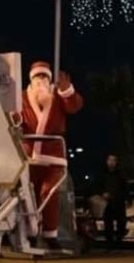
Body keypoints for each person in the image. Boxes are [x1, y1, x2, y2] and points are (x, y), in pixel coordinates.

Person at [15, 61, 84, 248]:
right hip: (30, 157)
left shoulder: (58, 95)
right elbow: (15, 118)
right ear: (31, 79)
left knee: (48, 192)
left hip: (53, 156)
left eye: (44, 76)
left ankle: (50, 234)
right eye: (38, 76)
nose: (41, 80)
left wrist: (67, 89)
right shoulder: (21, 97)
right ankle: (30, 234)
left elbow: (75, 106)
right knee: (28, 196)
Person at [98, 153, 130, 249]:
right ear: (107, 161)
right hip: (107, 203)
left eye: (113, 160)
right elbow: (96, 186)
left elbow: (125, 188)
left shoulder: (121, 174)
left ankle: (119, 242)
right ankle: (109, 245)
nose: (111, 162)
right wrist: (102, 193)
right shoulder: (102, 174)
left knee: (121, 223)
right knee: (108, 224)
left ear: (116, 162)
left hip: (119, 202)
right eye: (110, 160)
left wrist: (127, 199)